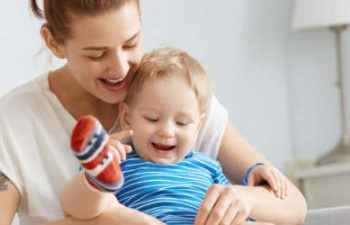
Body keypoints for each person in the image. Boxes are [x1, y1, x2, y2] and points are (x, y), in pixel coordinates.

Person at [0, 1, 307, 225]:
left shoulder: (177, 94)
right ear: (53, 42)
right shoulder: (16, 119)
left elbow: (292, 203)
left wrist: (244, 198)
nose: (120, 68)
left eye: (131, 43)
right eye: (97, 54)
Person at [60, 48, 284, 225]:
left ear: (198, 127)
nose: (167, 131)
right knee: (96, 202)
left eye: (182, 123)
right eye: (152, 118)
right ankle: (96, 179)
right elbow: (75, 210)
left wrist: (257, 179)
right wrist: (101, 167)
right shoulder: (122, 162)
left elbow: (234, 209)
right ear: (127, 117)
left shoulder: (208, 168)